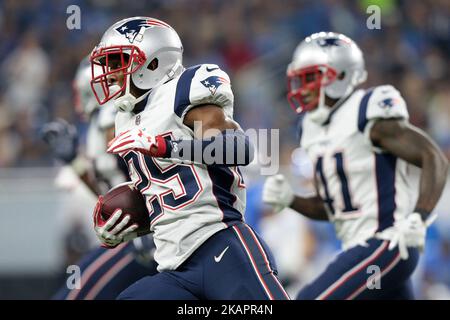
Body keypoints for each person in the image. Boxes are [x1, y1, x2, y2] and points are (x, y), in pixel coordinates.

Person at [89, 16, 289, 300]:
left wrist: (165, 146)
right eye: (107, 63)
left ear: (153, 62)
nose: (109, 72)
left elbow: (238, 149)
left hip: (221, 245)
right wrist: (124, 225)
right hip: (174, 269)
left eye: (117, 61)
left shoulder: (184, 89)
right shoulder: (125, 119)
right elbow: (168, 197)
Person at [263, 32, 448, 300]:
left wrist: (419, 216)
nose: (302, 87)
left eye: (311, 77)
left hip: (387, 243)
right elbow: (333, 207)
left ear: (339, 75)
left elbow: (433, 157)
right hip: (366, 249)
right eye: (299, 79)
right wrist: (291, 200)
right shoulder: (312, 129)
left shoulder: (365, 110)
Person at [42, 58, 158, 300]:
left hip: (148, 238)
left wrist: (152, 223)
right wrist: (75, 161)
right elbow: (113, 194)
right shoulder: (102, 122)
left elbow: (148, 179)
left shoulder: (114, 118)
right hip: (134, 235)